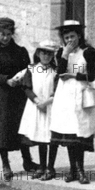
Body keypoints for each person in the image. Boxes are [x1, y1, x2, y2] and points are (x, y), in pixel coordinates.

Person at [0, 17, 37, 181]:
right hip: (0, 96)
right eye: (2, 34)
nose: (5, 37)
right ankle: (5, 164)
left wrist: (22, 79)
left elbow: (28, 70)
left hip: (18, 96)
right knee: (2, 131)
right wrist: (7, 80)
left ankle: (27, 161)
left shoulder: (20, 51)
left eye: (8, 34)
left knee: (21, 129)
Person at [50, 20, 95, 184]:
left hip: (81, 94)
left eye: (72, 36)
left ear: (79, 35)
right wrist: (65, 53)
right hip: (64, 96)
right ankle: (73, 170)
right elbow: (60, 71)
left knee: (80, 132)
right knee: (69, 132)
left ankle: (80, 170)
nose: (69, 40)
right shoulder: (61, 53)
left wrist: (73, 76)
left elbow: (91, 76)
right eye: (66, 38)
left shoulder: (88, 52)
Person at [17, 40, 59, 180]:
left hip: (51, 107)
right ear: (38, 53)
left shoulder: (55, 71)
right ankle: (41, 167)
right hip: (35, 106)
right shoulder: (32, 69)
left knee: (51, 138)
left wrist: (46, 102)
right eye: (43, 53)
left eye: (49, 54)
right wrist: (37, 101)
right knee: (41, 137)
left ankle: (50, 167)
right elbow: (27, 88)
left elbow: (58, 90)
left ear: (53, 55)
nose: (46, 56)